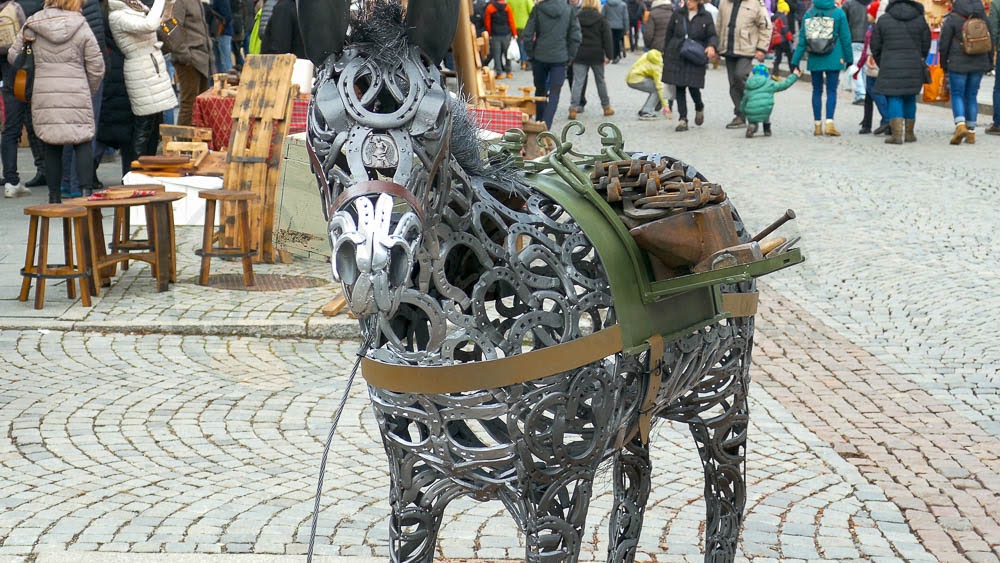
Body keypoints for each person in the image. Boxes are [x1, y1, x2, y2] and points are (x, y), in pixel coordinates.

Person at [8, 0, 105, 203]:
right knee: (82, 140)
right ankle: (87, 193)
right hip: (77, 91)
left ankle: (54, 197)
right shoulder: (81, 25)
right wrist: (89, 88)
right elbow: (97, 65)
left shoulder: (33, 24)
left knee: (51, 143)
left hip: (45, 94)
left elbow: (13, 56)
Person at [108, 0, 177, 160]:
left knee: (154, 125)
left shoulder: (135, 8)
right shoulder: (117, 15)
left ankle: (148, 167)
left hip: (152, 68)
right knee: (144, 126)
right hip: (141, 71)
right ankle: (137, 170)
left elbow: (160, 22)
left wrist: (169, 5)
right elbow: (149, 25)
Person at [870, 0, 930, 144]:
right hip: (913, 64)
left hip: (890, 64)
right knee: (910, 97)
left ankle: (897, 134)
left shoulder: (883, 20)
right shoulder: (920, 19)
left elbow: (875, 46)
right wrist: (919, 58)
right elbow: (926, 44)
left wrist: (882, 62)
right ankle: (909, 133)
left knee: (894, 97)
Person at [790, 0, 852, 136]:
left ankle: (817, 125)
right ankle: (829, 123)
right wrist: (849, 58)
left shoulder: (809, 13)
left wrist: (795, 61)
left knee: (816, 91)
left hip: (814, 56)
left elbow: (802, 40)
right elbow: (845, 37)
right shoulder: (838, 13)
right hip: (834, 55)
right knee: (831, 91)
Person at [938, 0, 993, 144]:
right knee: (972, 95)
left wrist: (944, 64)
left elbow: (944, 43)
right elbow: (990, 40)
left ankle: (960, 125)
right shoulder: (983, 17)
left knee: (957, 94)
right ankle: (971, 132)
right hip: (979, 61)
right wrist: (989, 62)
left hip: (957, 62)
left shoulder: (953, 17)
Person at [523, 0, 582, 129]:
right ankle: (546, 125)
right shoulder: (569, 10)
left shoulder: (538, 9)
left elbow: (527, 34)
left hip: (540, 55)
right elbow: (576, 36)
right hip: (560, 58)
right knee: (555, 93)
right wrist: (570, 56)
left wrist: (531, 53)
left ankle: (539, 121)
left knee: (540, 90)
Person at [662, 0, 717, 131]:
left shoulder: (706, 16)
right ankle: (683, 119)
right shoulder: (677, 14)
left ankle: (699, 106)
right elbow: (669, 34)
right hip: (678, 54)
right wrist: (666, 53)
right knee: (679, 86)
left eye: (692, 0)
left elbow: (712, 35)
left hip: (695, 55)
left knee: (693, 86)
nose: (688, 2)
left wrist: (711, 46)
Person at [716, 0, 771, 129]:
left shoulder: (755, 3)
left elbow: (766, 26)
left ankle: (754, 107)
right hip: (728, 48)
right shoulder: (724, 3)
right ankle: (740, 115)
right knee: (733, 84)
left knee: (740, 76)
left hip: (747, 48)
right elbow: (719, 25)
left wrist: (762, 48)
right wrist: (716, 46)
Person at [0, 0, 30, 198]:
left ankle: (11, 180)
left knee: (10, 130)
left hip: (5, 76)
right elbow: (27, 37)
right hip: (22, 72)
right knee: (35, 125)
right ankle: (49, 172)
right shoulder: (15, 7)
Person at [569, 0, 614, 117]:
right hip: (596, 54)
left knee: (578, 82)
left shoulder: (576, 17)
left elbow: (571, 35)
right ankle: (606, 107)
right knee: (600, 81)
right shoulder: (601, 19)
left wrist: (571, 52)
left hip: (580, 53)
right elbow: (607, 38)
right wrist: (609, 55)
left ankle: (573, 108)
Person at [171, 0, 212, 125]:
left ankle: (197, 142)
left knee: (201, 105)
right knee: (189, 104)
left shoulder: (196, 2)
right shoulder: (180, 2)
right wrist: (184, 54)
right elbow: (171, 27)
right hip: (189, 60)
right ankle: (182, 142)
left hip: (202, 58)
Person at [740, 63, 800, 136]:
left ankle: (752, 126)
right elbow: (784, 85)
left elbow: (744, 101)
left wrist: (742, 111)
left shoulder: (748, 85)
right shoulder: (769, 83)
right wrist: (794, 75)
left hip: (751, 110)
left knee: (752, 116)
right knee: (765, 113)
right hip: (765, 109)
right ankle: (767, 129)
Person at [857, 0, 889, 134]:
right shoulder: (873, 27)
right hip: (873, 61)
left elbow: (869, 48)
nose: (867, 15)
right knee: (872, 93)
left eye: (869, 12)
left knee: (873, 89)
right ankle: (869, 122)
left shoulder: (876, 28)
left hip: (874, 61)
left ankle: (888, 118)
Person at [626, 48, 670, 119]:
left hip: (631, 77)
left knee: (654, 87)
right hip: (637, 80)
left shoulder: (649, 54)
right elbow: (660, 87)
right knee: (657, 89)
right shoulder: (658, 66)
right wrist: (666, 106)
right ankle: (646, 112)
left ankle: (645, 110)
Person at [841, 0, 870, 104]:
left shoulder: (848, 4)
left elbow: (842, 24)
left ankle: (861, 94)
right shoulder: (872, 3)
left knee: (855, 68)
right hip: (869, 40)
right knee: (865, 69)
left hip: (853, 39)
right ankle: (867, 93)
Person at [484, 0, 517, 79]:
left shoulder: (490, 8)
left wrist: (489, 33)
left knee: (497, 55)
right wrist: (514, 33)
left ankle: (499, 73)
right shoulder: (507, 7)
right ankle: (508, 72)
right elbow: (511, 21)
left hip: (495, 35)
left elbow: (487, 22)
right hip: (506, 34)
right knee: (507, 54)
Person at [770, 0, 794, 75]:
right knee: (790, 55)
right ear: (784, 10)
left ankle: (775, 73)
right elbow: (785, 29)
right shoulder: (783, 17)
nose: (787, 14)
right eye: (787, 11)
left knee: (778, 57)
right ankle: (793, 71)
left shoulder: (773, 17)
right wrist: (790, 38)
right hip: (783, 40)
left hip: (776, 40)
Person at [508, 0, 533, 69]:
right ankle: (524, 62)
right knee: (523, 44)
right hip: (525, 25)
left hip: (513, 25)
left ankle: (519, 58)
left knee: (517, 43)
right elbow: (532, 11)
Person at [211, 0, 233, 72]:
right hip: (221, 32)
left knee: (224, 59)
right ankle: (223, 79)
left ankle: (229, 79)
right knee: (220, 59)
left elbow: (227, 16)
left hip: (223, 32)